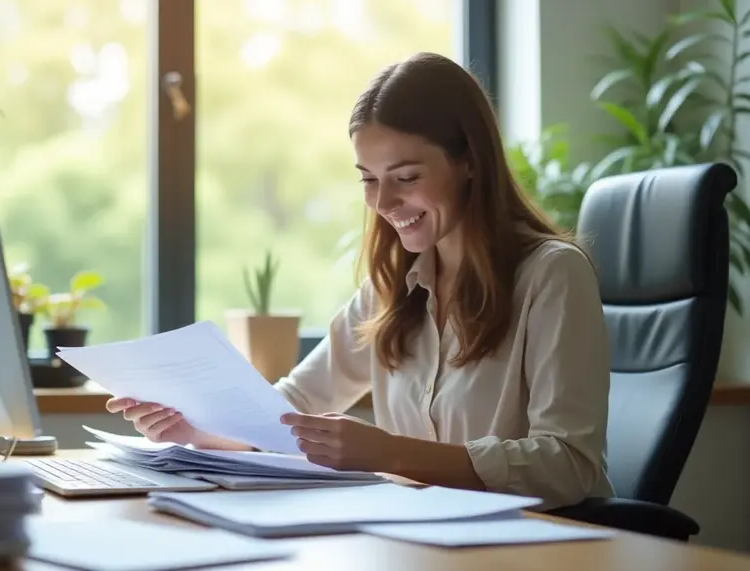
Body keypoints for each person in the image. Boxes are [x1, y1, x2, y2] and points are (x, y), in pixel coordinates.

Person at [106, 52, 614, 511]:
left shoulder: (552, 273)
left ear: (470, 161)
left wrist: (390, 453)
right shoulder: (391, 286)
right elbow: (295, 408)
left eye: (407, 177)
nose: (383, 203)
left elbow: (566, 464)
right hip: (423, 539)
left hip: (538, 544)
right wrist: (202, 429)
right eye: (368, 179)